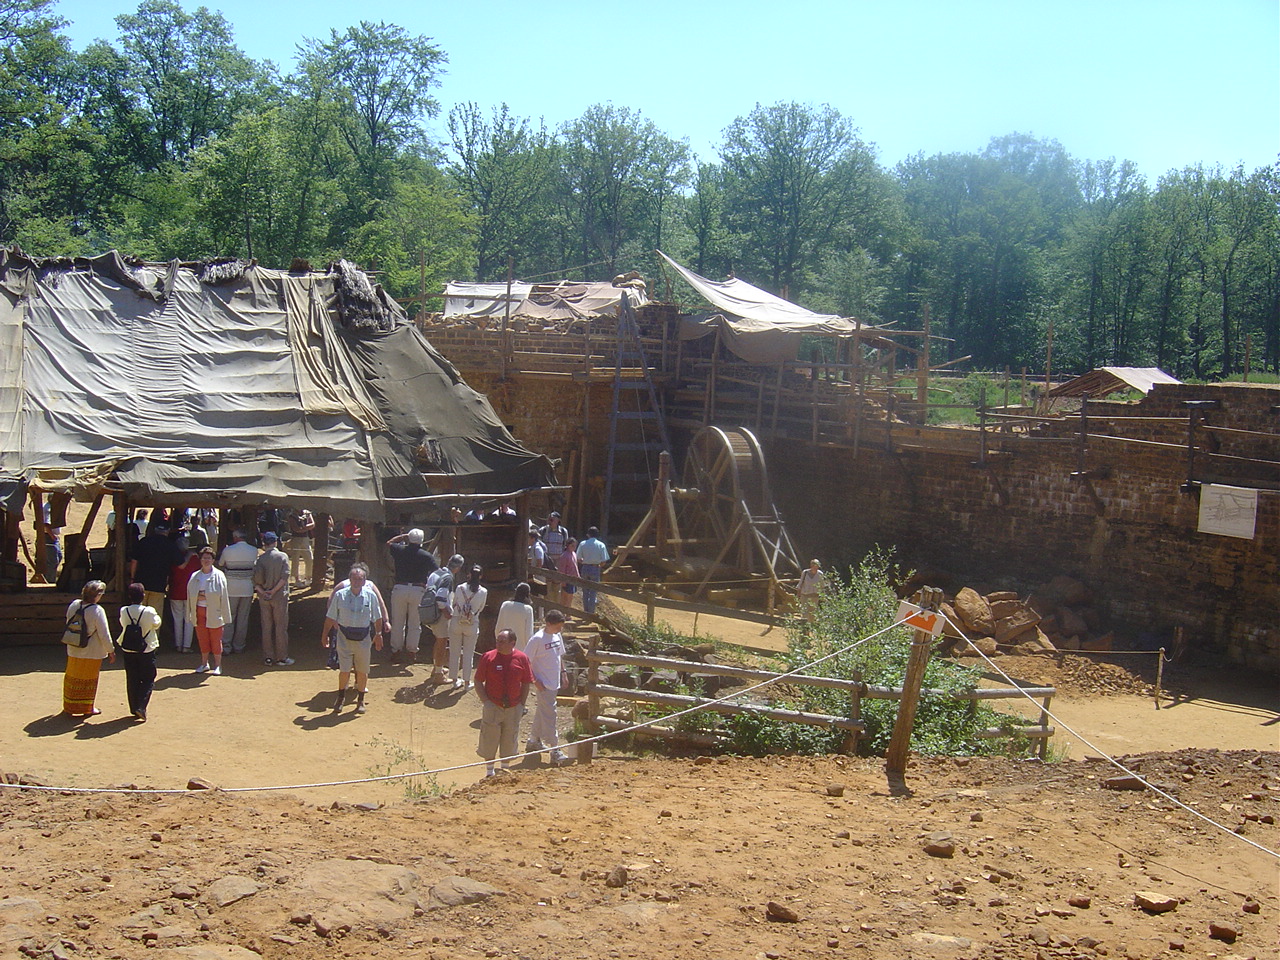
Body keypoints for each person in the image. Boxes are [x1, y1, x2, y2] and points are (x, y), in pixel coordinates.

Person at [320, 562, 384, 715]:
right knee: (344, 670)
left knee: (362, 670)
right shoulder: (340, 595)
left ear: (364, 580)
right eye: (354, 579)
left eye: (360, 579)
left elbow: (377, 617)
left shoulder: (371, 596)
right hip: (344, 637)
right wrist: (324, 636)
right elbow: (330, 617)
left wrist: (378, 634)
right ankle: (341, 697)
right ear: (349, 579)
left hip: (363, 637)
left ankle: (360, 700)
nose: (357, 582)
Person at [474, 628, 533, 777]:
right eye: (497, 641)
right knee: (489, 737)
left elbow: (526, 682)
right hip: (493, 705)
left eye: (502, 641)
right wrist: (485, 701)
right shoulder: (488, 657)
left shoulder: (522, 658)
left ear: (512, 643)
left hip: (513, 707)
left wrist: (521, 705)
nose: (498, 644)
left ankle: (504, 769)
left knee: (509, 737)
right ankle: (489, 771)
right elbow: (478, 680)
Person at [524, 609, 570, 766]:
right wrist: (535, 680)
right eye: (557, 626)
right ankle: (555, 749)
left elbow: (559, 655)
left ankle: (533, 740)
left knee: (543, 711)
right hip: (544, 684)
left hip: (554, 681)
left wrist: (563, 673)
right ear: (548, 623)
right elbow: (526, 662)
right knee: (551, 715)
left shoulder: (557, 636)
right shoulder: (537, 639)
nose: (559, 629)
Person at [61, 580, 113, 717]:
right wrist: (111, 650)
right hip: (92, 651)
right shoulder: (97, 610)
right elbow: (104, 633)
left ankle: (69, 705)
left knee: (72, 677)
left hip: (73, 648)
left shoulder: (74, 605)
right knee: (88, 680)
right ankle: (87, 707)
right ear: (97, 595)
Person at [386, 527, 438, 664]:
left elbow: (389, 543)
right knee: (415, 623)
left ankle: (396, 650)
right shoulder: (426, 556)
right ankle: (412, 651)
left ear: (409, 539)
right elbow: (436, 572)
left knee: (397, 622)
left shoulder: (399, 550)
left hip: (400, 588)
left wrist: (403, 536)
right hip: (418, 589)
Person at [115, 581, 161, 721]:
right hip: (146, 649)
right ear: (143, 595)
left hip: (128, 649)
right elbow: (156, 623)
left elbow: (123, 623)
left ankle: (133, 706)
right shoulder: (149, 611)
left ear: (130, 596)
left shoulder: (124, 611)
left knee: (132, 678)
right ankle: (141, 706)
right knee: (148, 678)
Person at [187, 545, 231, 675]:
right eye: (204, 558)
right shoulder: (195, 576)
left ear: (213, 560)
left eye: (209, 558)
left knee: (216, 640)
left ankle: (218, 665)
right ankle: (204, 663)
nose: (206, 560)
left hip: (214, 612)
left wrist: (203, 594)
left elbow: (222, 595)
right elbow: (190, 594)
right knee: (202, 639)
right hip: (199, 611)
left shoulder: (219, 575)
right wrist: (202, 595)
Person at [253, 531, 292, 665]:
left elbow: (256, 579)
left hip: (264, 596)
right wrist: (273, 591)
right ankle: (282, 657)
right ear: (275, 542)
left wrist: (264, 592)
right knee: (280, 627)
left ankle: (268, 657)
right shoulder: (282, 557)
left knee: (266, 626)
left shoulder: (261, 559)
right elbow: (284, 577)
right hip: (279, 596)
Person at [129, 522, 182, 618]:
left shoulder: (144, 541)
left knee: (139, 615)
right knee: (154, 616)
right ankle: (153, 633)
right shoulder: (170, 545)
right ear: (168, 531)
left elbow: (134, 561)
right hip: (158, 585)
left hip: (141, 584)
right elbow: (180, 565)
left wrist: (132, 578)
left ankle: (139, 633)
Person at [425, 554, 464, 685]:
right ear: (458, 568)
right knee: (442, 643)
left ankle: (436, 668)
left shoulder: (435, 573)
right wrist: (446, 611)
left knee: (438, 641)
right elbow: (441, 598)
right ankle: (438, 675)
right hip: (440, 613)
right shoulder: (448, 578)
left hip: (431, 612)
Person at [218, 529, 258, 654]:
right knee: (243, 618)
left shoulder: (228, 550)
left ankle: (226, 646)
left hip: (231, 588)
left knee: (229, 618)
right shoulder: (253, 550)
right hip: (247, 588)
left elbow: (221, 563)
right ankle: (239, 646)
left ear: (235, 537)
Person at [450, 564, 489, 690]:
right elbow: (481, 608)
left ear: (469, 575)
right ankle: (467, 682)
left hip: (456, 620)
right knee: (468, 654)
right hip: (472, 623)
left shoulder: (460, 587)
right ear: (481, 576)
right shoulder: (483, 592)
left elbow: (454, 602)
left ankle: (454, 680)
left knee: (454, 652)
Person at [168, 547, 201, 652]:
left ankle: (178, 645)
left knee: (177, 619)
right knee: (189, 620)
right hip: (190, 593)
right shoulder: (195, 559)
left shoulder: (173, 558)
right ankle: (186, 646)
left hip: (175, 592)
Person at [576, 526, 610, 615]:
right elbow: (604, 561)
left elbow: (578, 558)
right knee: (593, 592)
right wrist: (599, 565)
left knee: (585, 591)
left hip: (585, 567)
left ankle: (585, 611)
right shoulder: (601, 545)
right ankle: (591, 612)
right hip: (595, 568)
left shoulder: (583, 543)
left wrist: (584, 561)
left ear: (588, 535)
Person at [495, 581, 535, 650]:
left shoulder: (505, 605)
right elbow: (529, 633)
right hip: (520, 648)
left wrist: (500, 641)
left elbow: (498, 627)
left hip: (503, 645)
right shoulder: (528, 609)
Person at [286, 507, 316, 587]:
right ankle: (297, 579)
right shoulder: (292, 516)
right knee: (295, 559)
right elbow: (296, 528)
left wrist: (303, 528)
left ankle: (308, 578)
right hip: (296, 538)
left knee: (309, 558)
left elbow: (312, 524)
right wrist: (305, 528)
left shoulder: (307, 513)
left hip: (305, 538)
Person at [556, 537, 580, 610]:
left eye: (575, 546)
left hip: (573, 579)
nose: (574, 547)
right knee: (565, 596)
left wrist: (578, 576)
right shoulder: (564, 555)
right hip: (567, 579)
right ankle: (564, 612)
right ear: (568, 545)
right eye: (572, 545)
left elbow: (575, 566)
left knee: (570, 596)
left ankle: (567, 613)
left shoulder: (574, 554)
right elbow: (562, 569)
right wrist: (563, 581)